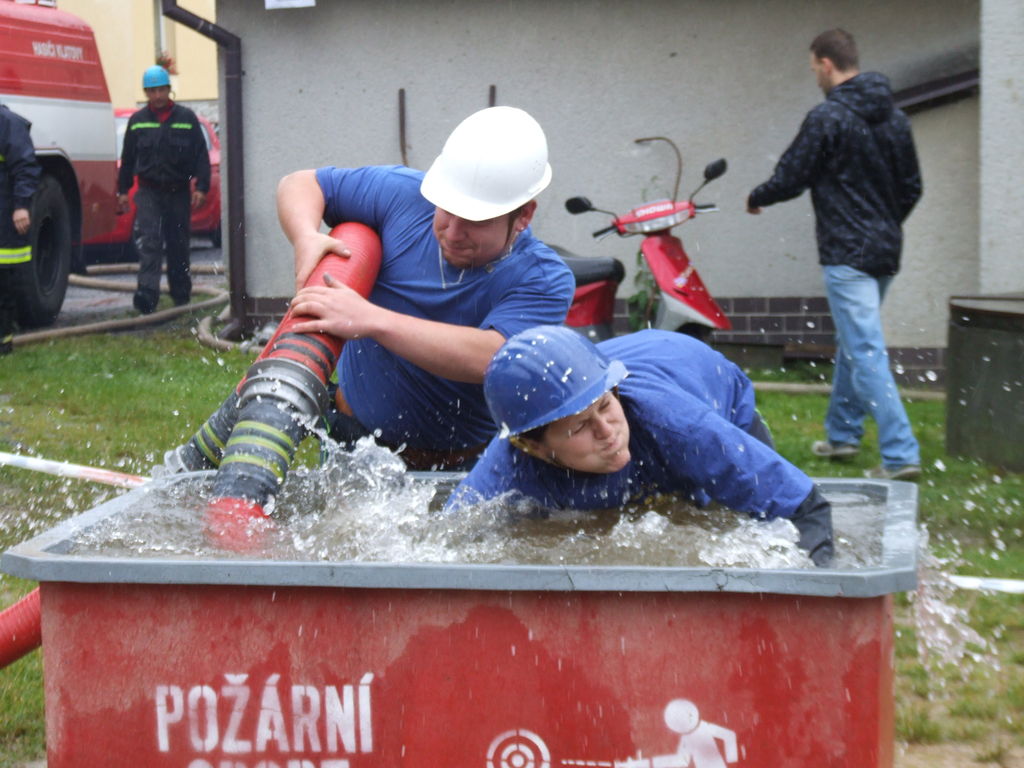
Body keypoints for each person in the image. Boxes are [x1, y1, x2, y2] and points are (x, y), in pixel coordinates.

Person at [258, 106, 574, 469]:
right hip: (354, 437)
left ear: (523, 215)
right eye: (447, 210)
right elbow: (299, 184)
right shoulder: (402, 194)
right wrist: (305, 236)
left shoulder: (542, 278)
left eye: (475, 220)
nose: (452, 232)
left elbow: (493, 356)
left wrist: (371, 320)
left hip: (461, 463)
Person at [445, 326, 834, 567]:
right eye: (580, 426)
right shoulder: (508, 466)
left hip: (704, 379)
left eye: (605, 406)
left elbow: (803, 506)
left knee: (727, 515)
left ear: (614, 390)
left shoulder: (679, 428)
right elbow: (445, 542)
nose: (608, 431)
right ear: (533, 447)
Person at [746, 28, 923, 481]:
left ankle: (901, 454)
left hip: (847, 254)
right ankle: (843, 434)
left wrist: (759, 195)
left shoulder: (828, 117)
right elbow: (912, 188)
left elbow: (793, 174)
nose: (816, 77)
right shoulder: (895, 119)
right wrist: (884, 225)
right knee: (854, 341)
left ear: (826, 64)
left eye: (814, 69)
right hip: (885, 251)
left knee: (864, 348)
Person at [117, 64, 210, 314]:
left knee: (178, 242)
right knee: (150, 242)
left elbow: (201, 155)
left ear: (169, 89)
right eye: (152, 91)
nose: (157, 95)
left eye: (161, 90)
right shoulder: (137, 122)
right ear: (146, 93)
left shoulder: (186, 119)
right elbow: (127, 158)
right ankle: (147, 295)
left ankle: (181, 294)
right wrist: (123, 191)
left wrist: (201, 187)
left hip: (178, 192)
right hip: (149, 192)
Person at [0, 104, 40, 355]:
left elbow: (25, 167)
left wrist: (21, 206)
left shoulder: (8, 123)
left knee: (3, 283)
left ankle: (3, 343)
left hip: (4, 213)